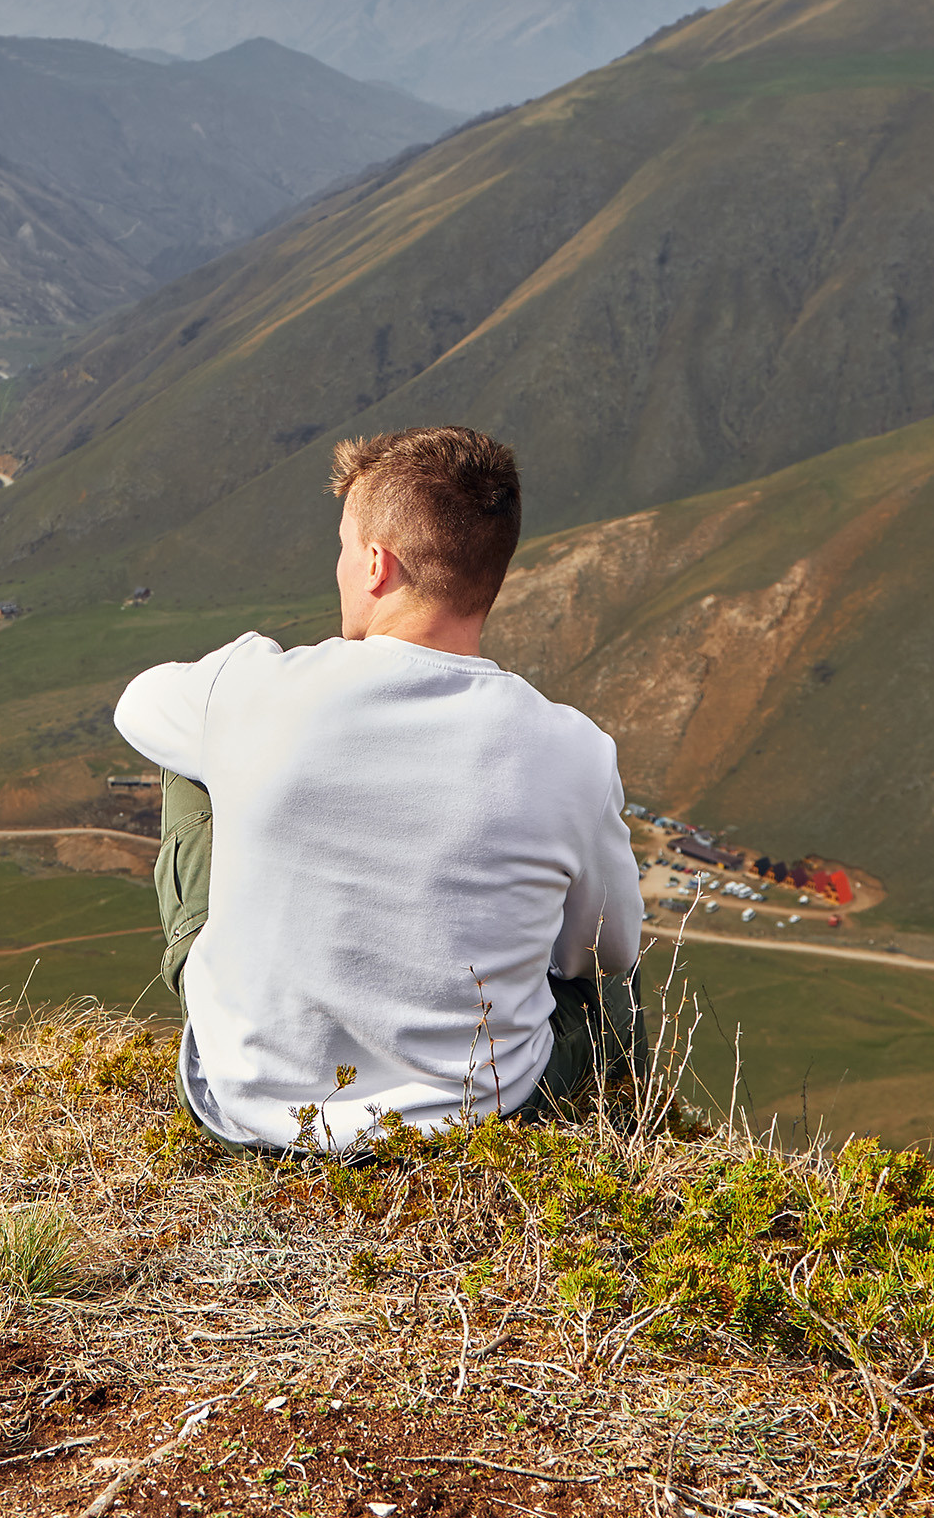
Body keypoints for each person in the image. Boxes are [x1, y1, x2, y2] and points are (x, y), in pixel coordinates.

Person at [112, 426, 643, 1152]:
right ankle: (630, 1138)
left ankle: (249, 1009)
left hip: (246, 1111)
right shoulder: (574, 749)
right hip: (476, 1124)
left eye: (341, 545)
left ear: (374, 564)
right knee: (619, 996)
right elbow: (606, 949)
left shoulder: (250, 688)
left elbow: (136, 706)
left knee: (188, 746)